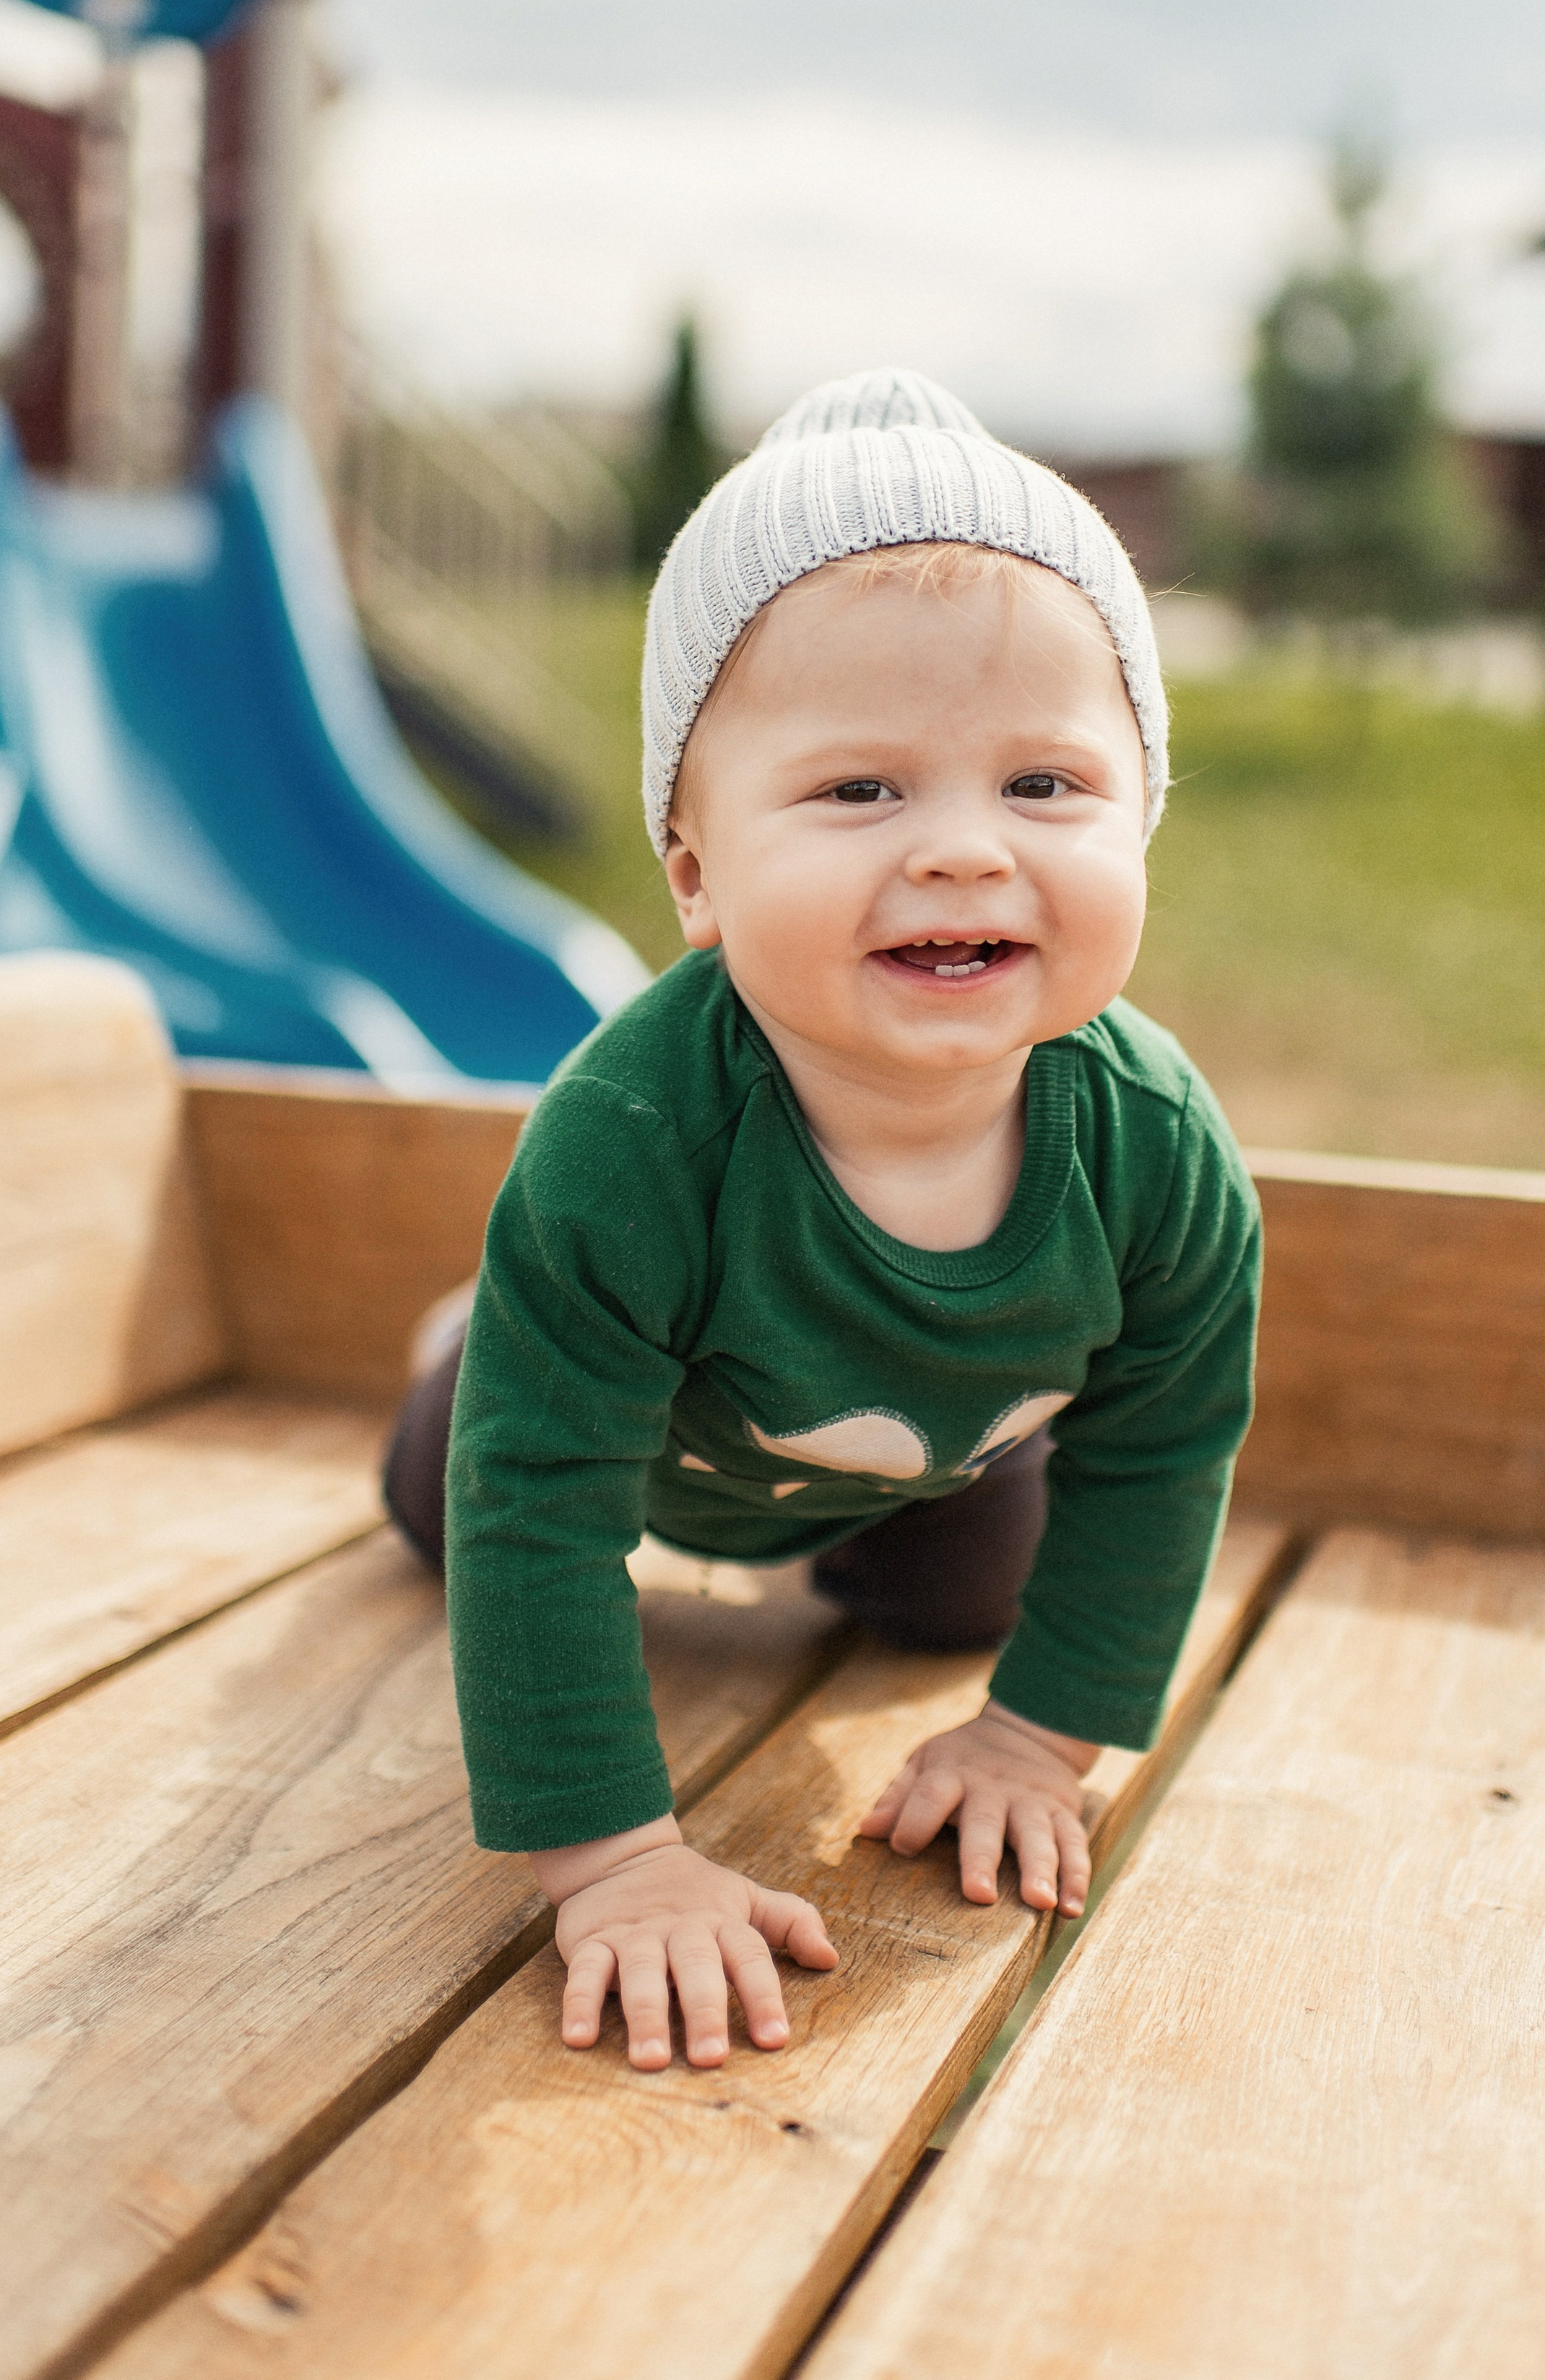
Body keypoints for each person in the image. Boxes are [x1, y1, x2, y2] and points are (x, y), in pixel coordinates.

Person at [381, 368, 1261, 2075]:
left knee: (966, 1602)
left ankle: (891, 1551)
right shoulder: (630, 1134)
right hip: (614, 1441)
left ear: (1138, 812)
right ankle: (464, 1347)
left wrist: (1033, 1743)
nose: (957, 852)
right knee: (449, 1496)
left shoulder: (1153, 1150)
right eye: (859, 792)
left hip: (940, 1438)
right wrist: (618, 1862)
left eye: (1043, 785)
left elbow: (1159, 1450)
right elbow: (539, 1512)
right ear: (695, 871)